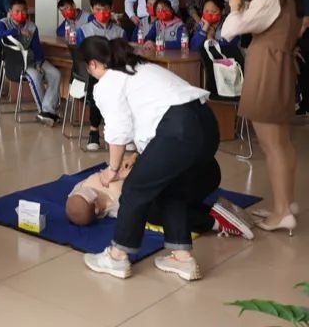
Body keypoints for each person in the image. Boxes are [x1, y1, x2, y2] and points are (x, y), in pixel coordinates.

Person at [79, 37, 219, 282]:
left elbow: (118, 129)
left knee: (134, 189)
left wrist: (112, 169)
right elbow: (154, 114)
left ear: (92, 64)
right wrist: (136, 156)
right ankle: (182, 258)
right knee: (169, 187)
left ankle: (117, 257)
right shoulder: (140, 67)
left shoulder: (108, 82)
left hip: (178, 129)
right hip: (207, 125)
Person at [222, 0, 304, 234]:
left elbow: (230, 30)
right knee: (282, 142)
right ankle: (286, 204)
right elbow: (261, 20)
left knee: (272, 145)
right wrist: (242, 5)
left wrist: (235, 8)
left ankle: (282, 212)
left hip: (266, 67)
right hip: (279, 65)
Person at [65, 152, 253, 240]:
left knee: (157, 210)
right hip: (196, 170)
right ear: (97, 210)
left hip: (198, 167)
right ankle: (215, 217)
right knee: (154, 209)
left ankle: (215, 220)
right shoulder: (118, 205)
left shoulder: (86, 186)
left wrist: (132, 159)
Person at [0, 0, 61, 125]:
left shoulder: (32, 26)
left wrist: (39, 62)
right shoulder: (3, 23)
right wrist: (18, 31)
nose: (20, 14)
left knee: (55, 74)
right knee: (35, 76)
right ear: (10, 11)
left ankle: (46, 111)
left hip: (32, 59)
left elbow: (37, 47)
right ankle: (45, 112)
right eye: (17, 11)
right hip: (18, 63)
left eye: (23, 11)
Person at [76, 0, 127, 151]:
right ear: (92, 9)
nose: (102, 13)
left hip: (115, 72)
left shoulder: (119, 31)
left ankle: (124, 132)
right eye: (98, 9)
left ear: (111, 9)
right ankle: (94, 131)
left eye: (105, 9)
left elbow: (124, 54)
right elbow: (81, 55)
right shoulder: (84, 30)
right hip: (93, 73)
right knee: (98, 88)